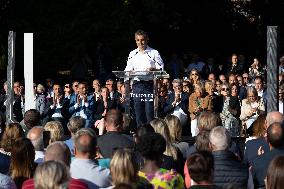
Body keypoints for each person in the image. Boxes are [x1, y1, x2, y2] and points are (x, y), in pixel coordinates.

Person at [124, 29, 164, 127]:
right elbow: (126, 71)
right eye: (138, 40)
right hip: (137, 85)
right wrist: (128, 79)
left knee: (149, 112)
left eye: (142, 40)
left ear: (147, 40)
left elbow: (161, 69)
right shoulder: (132, 53)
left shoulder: (154, 52)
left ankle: (151, 134)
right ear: (135, 40)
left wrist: (153, 69)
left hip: (149, 85)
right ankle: (140, 135)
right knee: (138, 112)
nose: (140, 42)